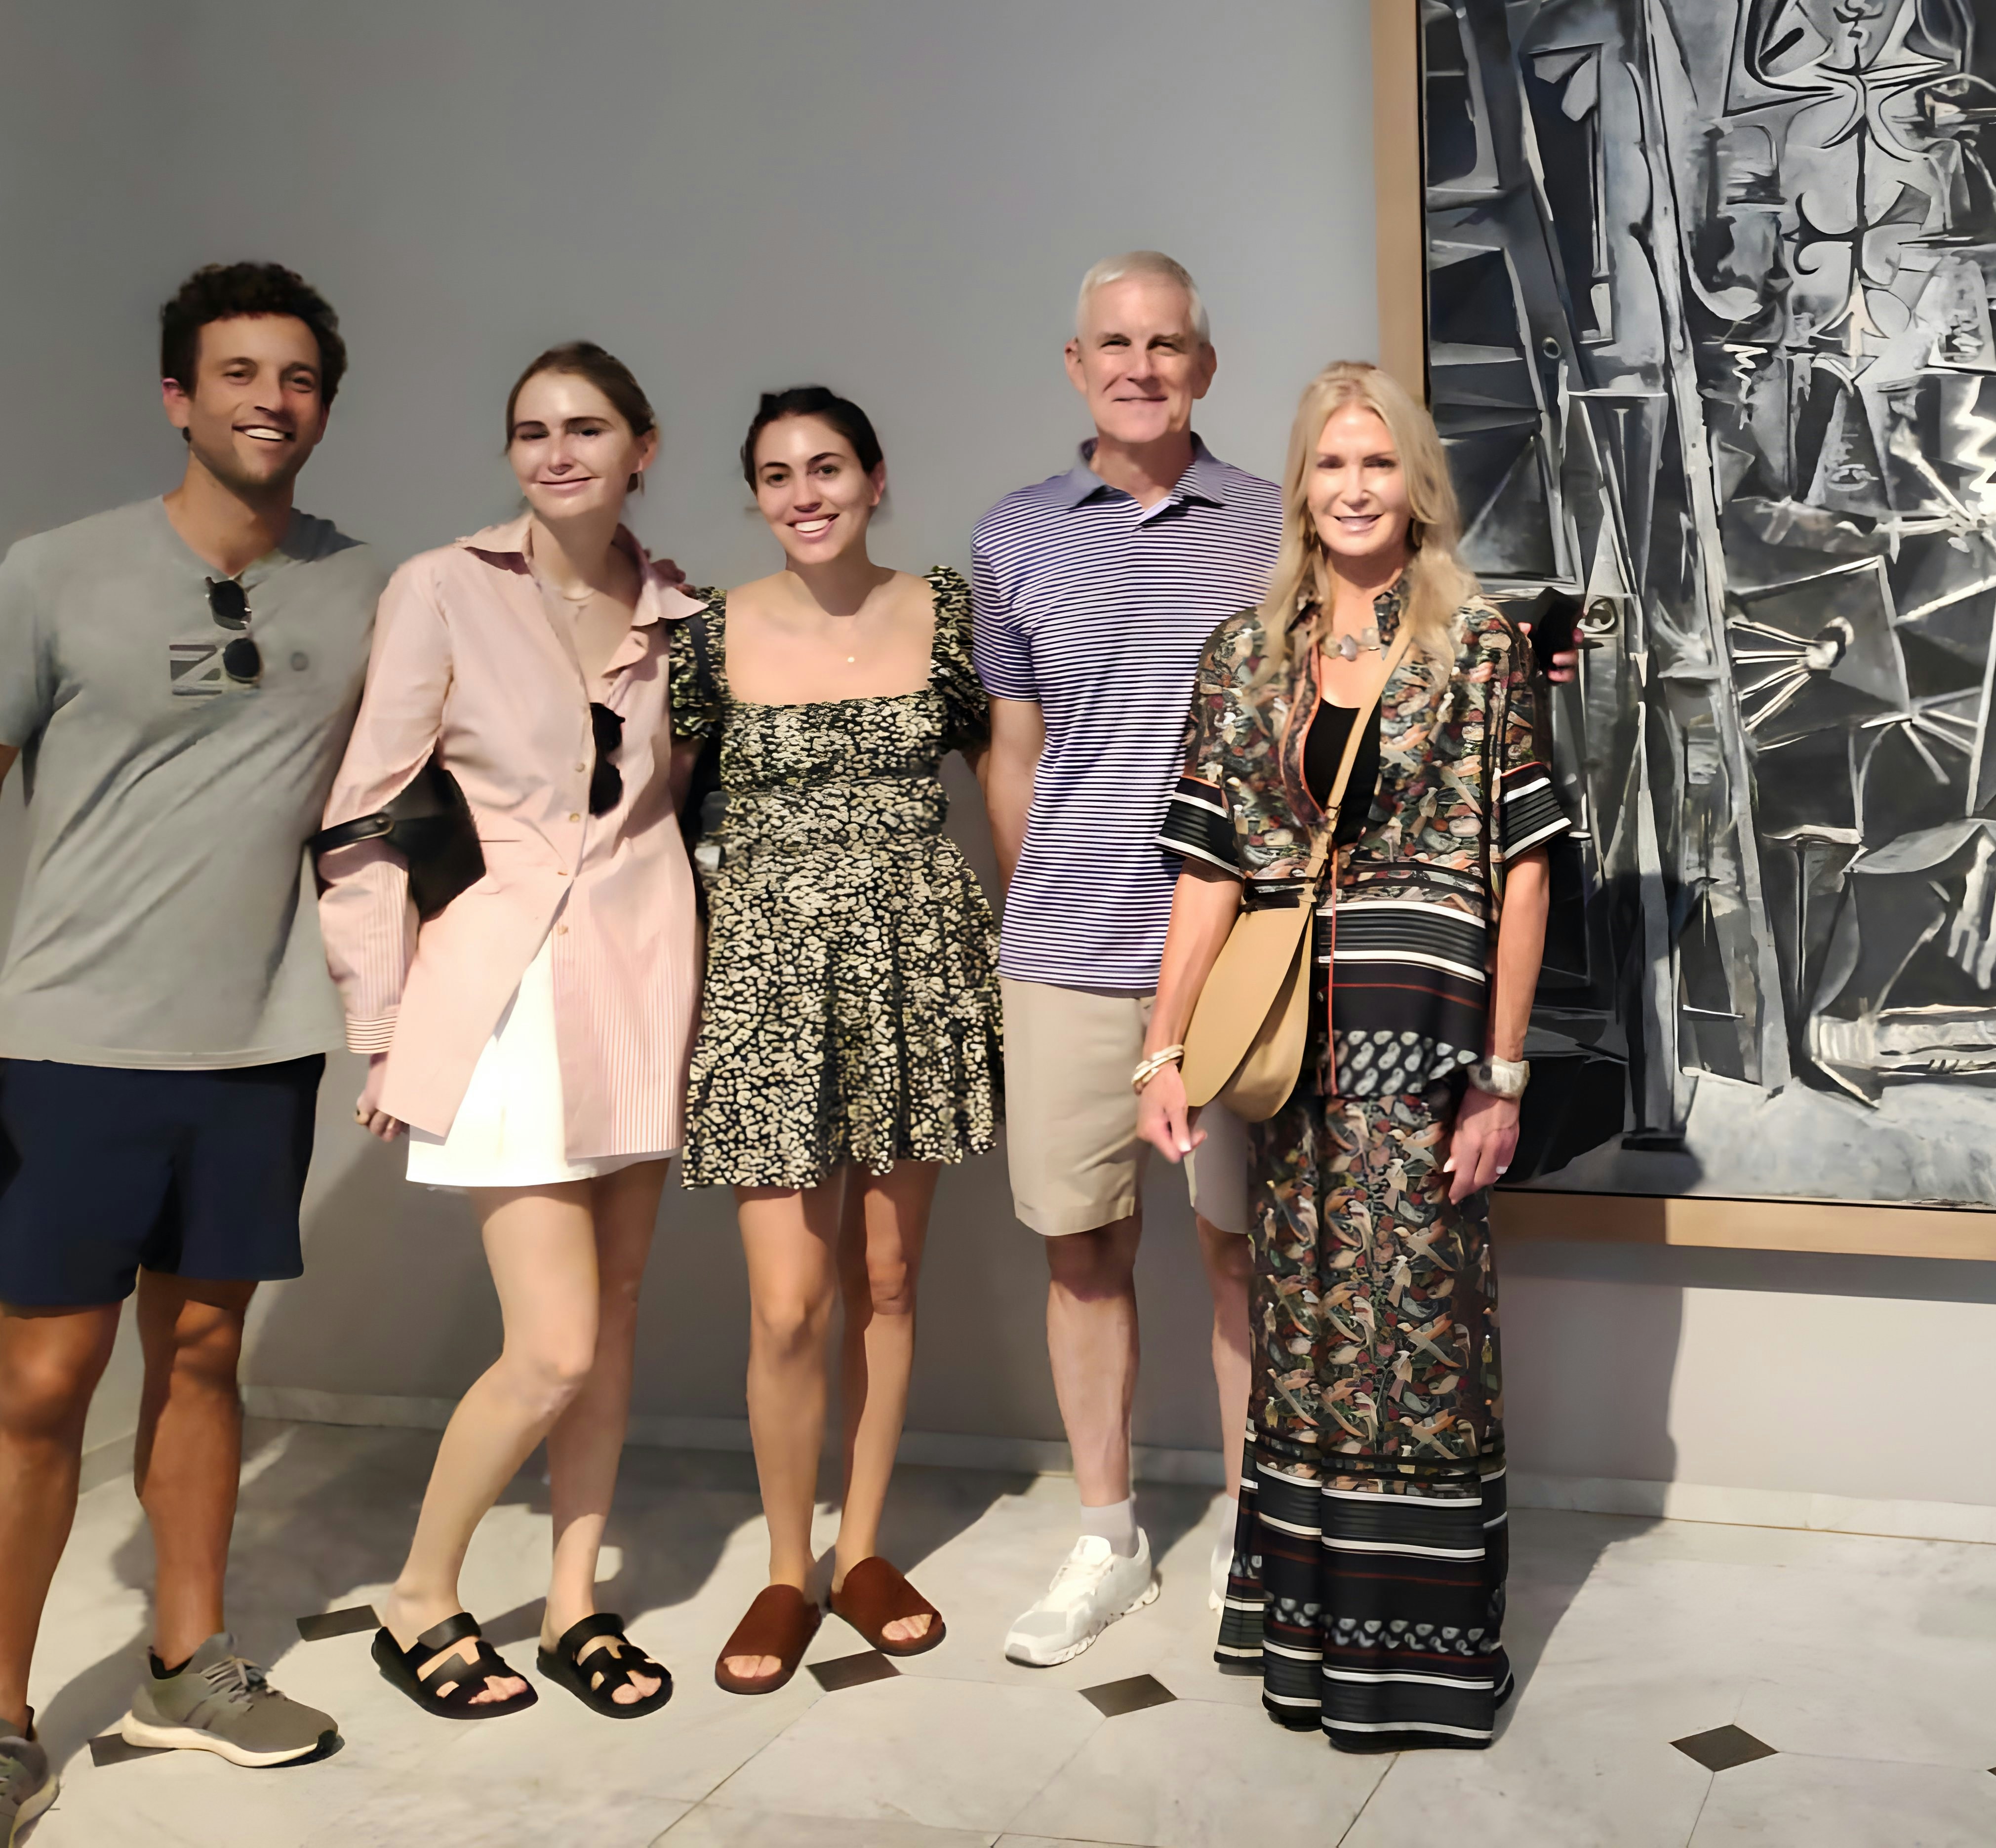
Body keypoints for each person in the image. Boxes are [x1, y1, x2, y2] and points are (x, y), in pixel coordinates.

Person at [1146, 360, 1570, 1751]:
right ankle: (1310, 1642)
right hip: (1285, 1049)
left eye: (1377, 464)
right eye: (1331, 465)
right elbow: (1207, 873)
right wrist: (1164, 1049)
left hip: (1426, 1036)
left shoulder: (1481, 646)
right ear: (1302, 486)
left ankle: (1424, 1665)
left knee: (1420, 1333)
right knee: (1309, 1330)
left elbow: (1521, 873)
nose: (1352, 489)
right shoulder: (1246, 652)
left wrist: (1502, 1074)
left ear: (1417, 485)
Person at [0, 264, 371, 1825]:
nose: (266, 401)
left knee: (206, 1353)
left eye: (294, 377)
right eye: (236, 374)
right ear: (178, 396)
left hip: (256, 1048)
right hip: (70, 1040)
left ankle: (186, 1667)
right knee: (38, 1384)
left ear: (322, 407)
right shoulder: (55, 573)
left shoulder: (369, 588)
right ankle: (3, 1715)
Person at [317, 342, 700, 1723]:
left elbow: (676, 812)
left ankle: (576, 1598)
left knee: (615, 1321)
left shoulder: (685, 613)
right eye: (531, 430)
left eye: (587, 427)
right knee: (553, 1347)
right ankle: (420, 1595)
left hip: (650, 988)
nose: (557, 451)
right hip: (503, 994)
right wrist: (380, 1020)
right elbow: (366, 818)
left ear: (640, 446)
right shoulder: (440, 589)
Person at [971, 252, 1281, 1664]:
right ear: (1075, 363)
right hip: (1069, 955)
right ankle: (1107, 1540)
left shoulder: (1277, 532)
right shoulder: (1014, 538)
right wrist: (1036, 906)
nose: (1142, 365)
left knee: (1240, 1253)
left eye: (1168, 344)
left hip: (1238, 962)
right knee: (1084, 1252)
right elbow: (1016, 755)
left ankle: (1259, 1538)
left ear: (1205, 368)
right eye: (1116, 342)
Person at [674, 389, 1001, 1693]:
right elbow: (650, 814)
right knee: (785, 1301)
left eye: (826, 468)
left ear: (874, 478)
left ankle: (864, 1551)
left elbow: (1018, 769)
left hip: (919, 968)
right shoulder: (708, 631)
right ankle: (782, 1567)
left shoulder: (954, 614)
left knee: (889, 1281)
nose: (804, 493)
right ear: (756, 495)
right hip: (763, 978)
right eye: (776, 475)